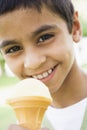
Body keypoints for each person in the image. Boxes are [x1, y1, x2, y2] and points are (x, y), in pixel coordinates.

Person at [0, 0, 87, 130]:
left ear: (75, 28)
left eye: (44, 37)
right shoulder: (24, 120)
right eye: (13, 49)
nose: (33, 63)